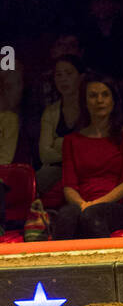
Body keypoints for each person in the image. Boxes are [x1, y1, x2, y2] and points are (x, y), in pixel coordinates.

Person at [51, 73, 123, 239]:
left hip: (117, 205)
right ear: (85, 102)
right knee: (65, 216)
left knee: (92, 217)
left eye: (105, 95)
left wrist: (95, 204)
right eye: (93, 96)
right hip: (82, 203)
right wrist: (83, 204)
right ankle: (62, 264)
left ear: (114, 101)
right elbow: (69, 186)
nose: (99, 100)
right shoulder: (72, 140)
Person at [36, 55, 84, 206]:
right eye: (58, 74)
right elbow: (44, 155)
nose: (63, 79)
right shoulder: (51, 111)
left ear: (80, 77)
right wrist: (72, 148)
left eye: (69, 74)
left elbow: (91, 149)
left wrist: (58, 143)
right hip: (57, 169)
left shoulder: (91, 107)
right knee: (39, 177)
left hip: (86, 168)